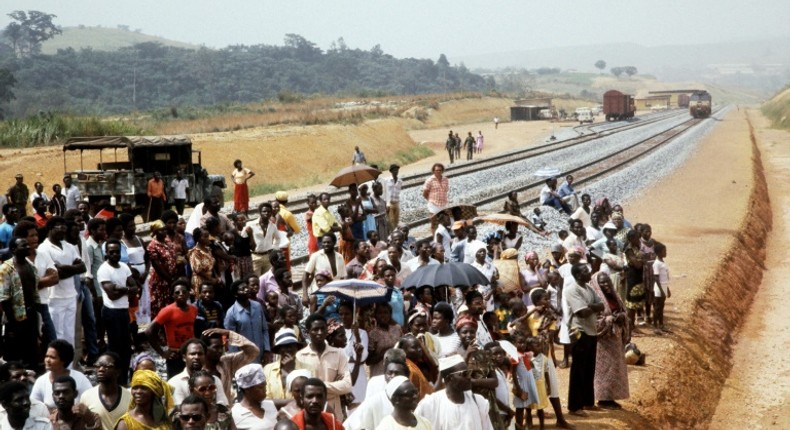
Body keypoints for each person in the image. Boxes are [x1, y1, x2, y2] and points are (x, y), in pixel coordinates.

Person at [38, 216, 86, 347]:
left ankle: (68, 367)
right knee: (57, 335)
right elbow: (56, 274)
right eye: (60, 227)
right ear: (51, 229)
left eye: (64, 228)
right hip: (55, 298)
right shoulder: (43, 248)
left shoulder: (69, 246)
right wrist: (71, 269)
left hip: (71, 295)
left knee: (69, 334)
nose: (63, 231)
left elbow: (82, 267)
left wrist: (64, 268)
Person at [295, 314, 352, 421]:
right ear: (308, 332)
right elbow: (300, 388)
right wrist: (333, 386)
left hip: (333, 414)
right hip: (309, 414)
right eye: (315, 329)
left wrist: (318, 386)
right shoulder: (300, 356)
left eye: (322, 328)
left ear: (327, 330)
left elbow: (347, 385)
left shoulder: (339, 354)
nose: (320, 332)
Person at [98, 239, 139, 384]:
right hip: (111, 311)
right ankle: (112, 379)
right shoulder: (104, 270)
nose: (115, 254)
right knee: (114, 348)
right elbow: (112, 295)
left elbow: (135, 288)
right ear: (107, 253)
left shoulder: (124, 267)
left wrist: (122, 289)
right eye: (112, 252)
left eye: (117, 251)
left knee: (126, 348)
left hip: (123, 311)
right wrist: (127, 290)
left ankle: (123, 380)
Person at [565, 264, 604, 415]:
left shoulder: (589, 288)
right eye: (586, 271)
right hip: (579, 332)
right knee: (578, 370)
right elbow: (582, 313)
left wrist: (591, 306)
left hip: (591, 331)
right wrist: (593, 307)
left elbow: (601, 305)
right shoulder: (572, 290)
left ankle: (587, 402)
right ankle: (574, 406)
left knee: (589, 368)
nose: (589, 273)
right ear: (578, 275)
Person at [415, 355, 494, 430]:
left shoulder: (478, 402)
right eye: (464, 374)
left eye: (469, 373)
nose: (469, 377)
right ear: (449, 378)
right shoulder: (430, 404)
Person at [588, 272, 630, 410]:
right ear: (596, 285)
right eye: (602, 283)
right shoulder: (593, 298)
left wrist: (621, 316)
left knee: (615, 369)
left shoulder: (614, 295)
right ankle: (603, 399)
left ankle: (611, 397)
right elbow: (590, 320)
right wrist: (607, 320)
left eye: (607, 282)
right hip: (602, 342)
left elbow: (622, 310)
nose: (606, 285)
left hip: (615, 339)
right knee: (604, 371)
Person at [0, 238, 42, 369]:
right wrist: (12, 323)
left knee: (32, 350)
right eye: (24, 245)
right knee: (16, 353)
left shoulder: (30, 266)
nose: (28, 247)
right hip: (15, 318)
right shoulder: (6, 269)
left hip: (30, 314)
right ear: (13, 249)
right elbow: (4, 298)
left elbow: (33, 291)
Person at [146, 279, 198, 379]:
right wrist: (162, 353)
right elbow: (149, 331)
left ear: (188, 293)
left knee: (194, 381)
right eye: (177, 292)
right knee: (175, 384)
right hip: (175, 354)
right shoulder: (167, 311)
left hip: (191, 352)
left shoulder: (193, 309)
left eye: (184, 292)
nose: (181, 294)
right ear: (173, 295)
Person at [31, 340, 93, 410]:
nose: (47, 360)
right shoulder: (41, 381)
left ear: (63, 360)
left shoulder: (79, 378)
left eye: (52, 357)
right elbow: (34, 405)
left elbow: (91, 401)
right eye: (46, 356)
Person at [80, 352, 132, 430]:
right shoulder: (86, 396)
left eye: (107, 366)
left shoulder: (130, 397)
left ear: (118, 371)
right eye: (97, 366)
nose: (101, 369)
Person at [224, 280, 271, 363]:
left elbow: (264, 330)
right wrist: (236, 359)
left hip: (261, 354)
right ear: (235, 294)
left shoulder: (258, 306)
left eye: (246, 287)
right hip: (245, 358)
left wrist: (267, 350)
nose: (247, 290)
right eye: (242, 289)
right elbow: (232, 339)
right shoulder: (231, 313)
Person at [232, 363, 278, 430]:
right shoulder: (236, 413)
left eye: (265, 385)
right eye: (260, 387)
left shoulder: (270, 406)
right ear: (247, 389)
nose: (265, 389)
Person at [147, 220, 178, 317]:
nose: (164, 232)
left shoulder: (167, 241)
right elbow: (158, 267)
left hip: (172, 278)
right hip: (161, 281)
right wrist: (171, 280)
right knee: (161, 306)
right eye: (161, 230)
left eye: (165, 230)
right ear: (155, 232)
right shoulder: (152, 246)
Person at [302, 233, 347, 300]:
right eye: (324, 242)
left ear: (334, 243)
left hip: (336, 292)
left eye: (328, 242)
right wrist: (305, 294)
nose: (326, 244)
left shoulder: (340, 257)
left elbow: (343, 277)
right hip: (320, 293)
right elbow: (305, 275)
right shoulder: (316, 256)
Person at [367, 303, 403, 376]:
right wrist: (385, 353)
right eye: (380, 313)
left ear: (390, 314)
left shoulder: (397, 329)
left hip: (397, 370)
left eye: (386, 312)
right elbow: (368, 361)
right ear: (375, 315)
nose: (383, 315)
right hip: (380, 372)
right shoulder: (373, 334)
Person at [275, 191, 302, 270]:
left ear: (275, 199)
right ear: (286, 201)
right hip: (284, 243)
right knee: (285, 263)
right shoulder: (287, 214)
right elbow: (297, 230)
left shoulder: (271, 211)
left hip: (272, 243)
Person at [652, 242, 670, 332]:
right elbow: (656, 278)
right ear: (659, 253)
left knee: (661, 307)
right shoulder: (657, 264)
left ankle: (661, 324)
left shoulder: (662, 262)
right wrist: (662, 291)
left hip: (663, 286)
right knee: (657, 307)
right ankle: (655, 326)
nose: (666, 252)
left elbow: (665, 277)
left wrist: (667, 289)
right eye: (664, 251)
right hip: (659, 289)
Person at [384, 165, 402, 231]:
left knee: (396, 220)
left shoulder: (400, 181)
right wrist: (386, 204)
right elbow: (385, 192)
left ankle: (396, 233)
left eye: (397, 170)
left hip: (396, 202)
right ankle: (393, 235)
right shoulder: (387, 180)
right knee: (391, 221)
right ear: (391, 171)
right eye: (394, 170)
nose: (396, 172)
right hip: (389, 203)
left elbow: (398, 192)